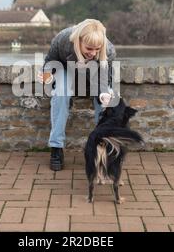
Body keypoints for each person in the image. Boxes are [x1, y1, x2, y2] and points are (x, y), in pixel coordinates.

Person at [38, 19, 116, 171]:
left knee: (106, 103)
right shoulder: (63, 39)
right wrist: (47, 74)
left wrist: (104, 94)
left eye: (97, 49)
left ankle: (103, 148)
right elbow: (50, 62)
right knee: (61, 93)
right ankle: (56, 147)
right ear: (78, 41)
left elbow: (105, 79)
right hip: (66, 69)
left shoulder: (109, 51)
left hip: (96, 73)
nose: (93, 53)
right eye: (89, 48)